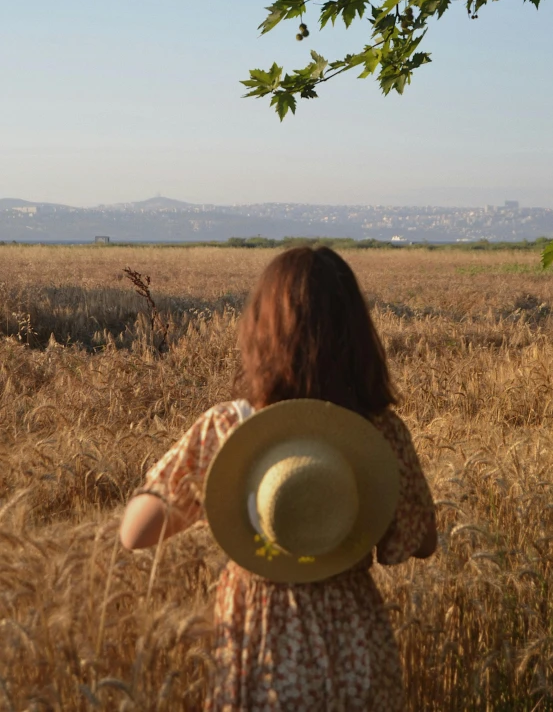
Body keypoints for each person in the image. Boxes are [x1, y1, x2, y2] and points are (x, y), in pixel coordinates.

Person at [120, 246, 437, 711]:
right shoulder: (381, 432)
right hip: (355, 637)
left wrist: (219, 491)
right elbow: (423, 541)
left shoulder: (228, 429)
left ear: (260, 332)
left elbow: (135, 533)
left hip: (258, 636)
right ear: (356, 335)